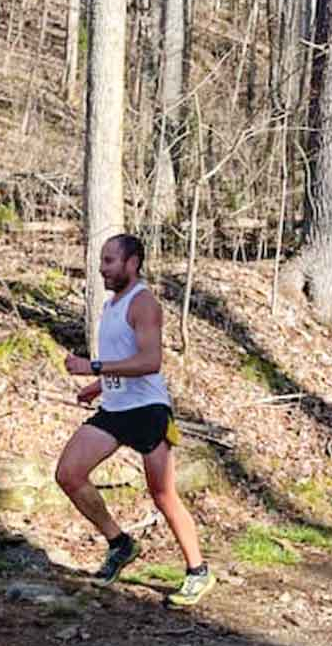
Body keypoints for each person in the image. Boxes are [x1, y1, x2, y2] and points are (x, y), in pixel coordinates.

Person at [55, 234, 215, 607]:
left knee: (163, 495)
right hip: (114, 409)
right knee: (68, 474)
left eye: (110, 261)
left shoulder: (143, 303)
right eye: (102, 260)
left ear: (133, 263)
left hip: (148, 411)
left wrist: (91, 367)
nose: (101, 268)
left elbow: (149, 361)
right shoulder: (111, 305)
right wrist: (98, 385)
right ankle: (120, 543)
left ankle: (198, 571)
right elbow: (124, 357)